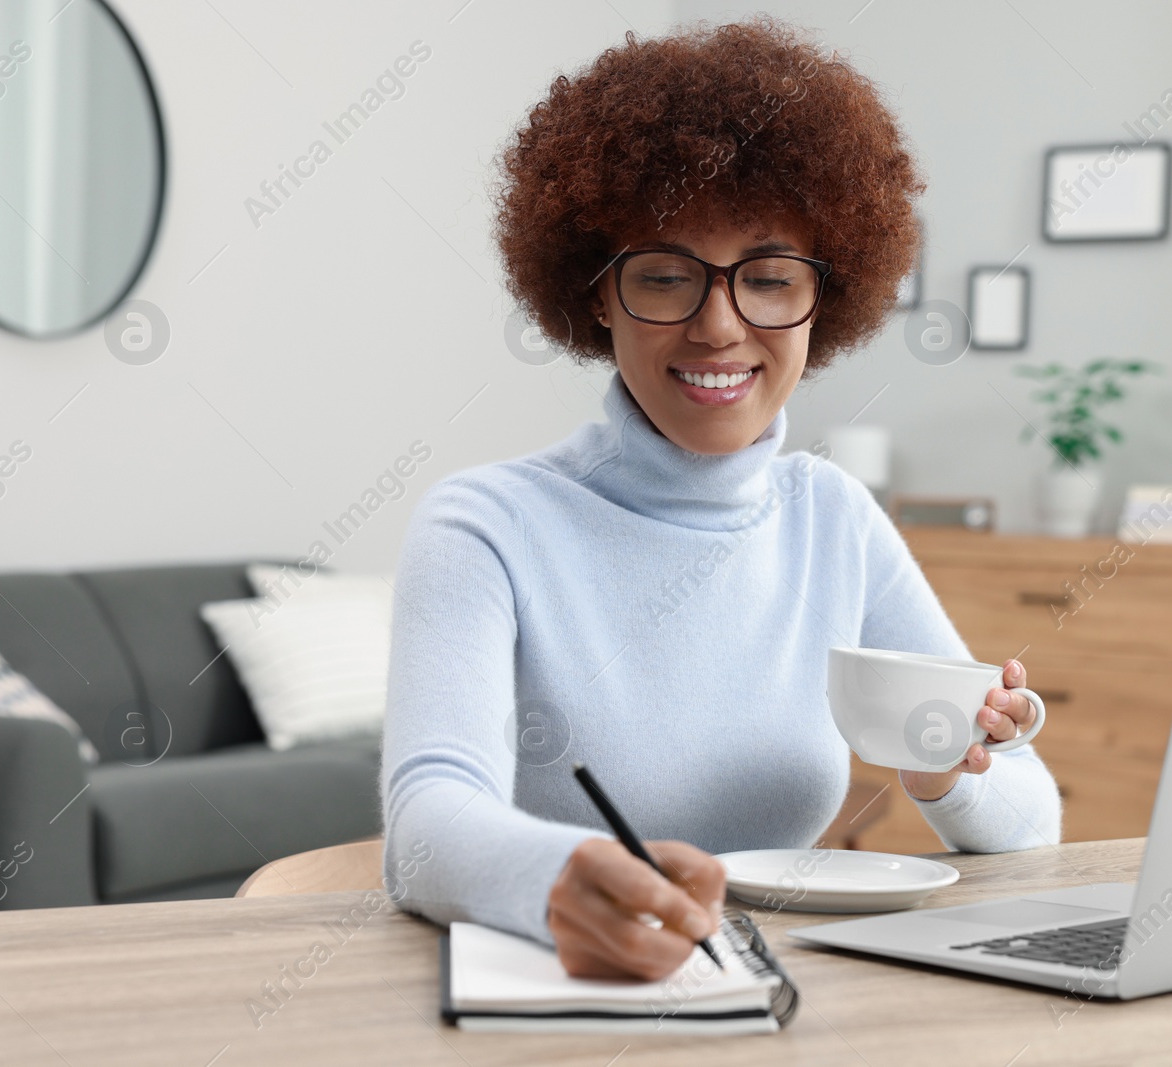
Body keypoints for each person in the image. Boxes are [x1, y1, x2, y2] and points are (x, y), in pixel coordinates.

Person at [382, 16, 1060, 981]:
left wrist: (946, 777)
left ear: (823, 301)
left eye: (769, 279)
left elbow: (1031, 825)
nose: (718, 326)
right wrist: (562, 879)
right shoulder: (485, 525)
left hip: (791, 998)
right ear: (598, 295)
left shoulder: (833, 516)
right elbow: (423, 824)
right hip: (561, 989)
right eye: (664, 275)